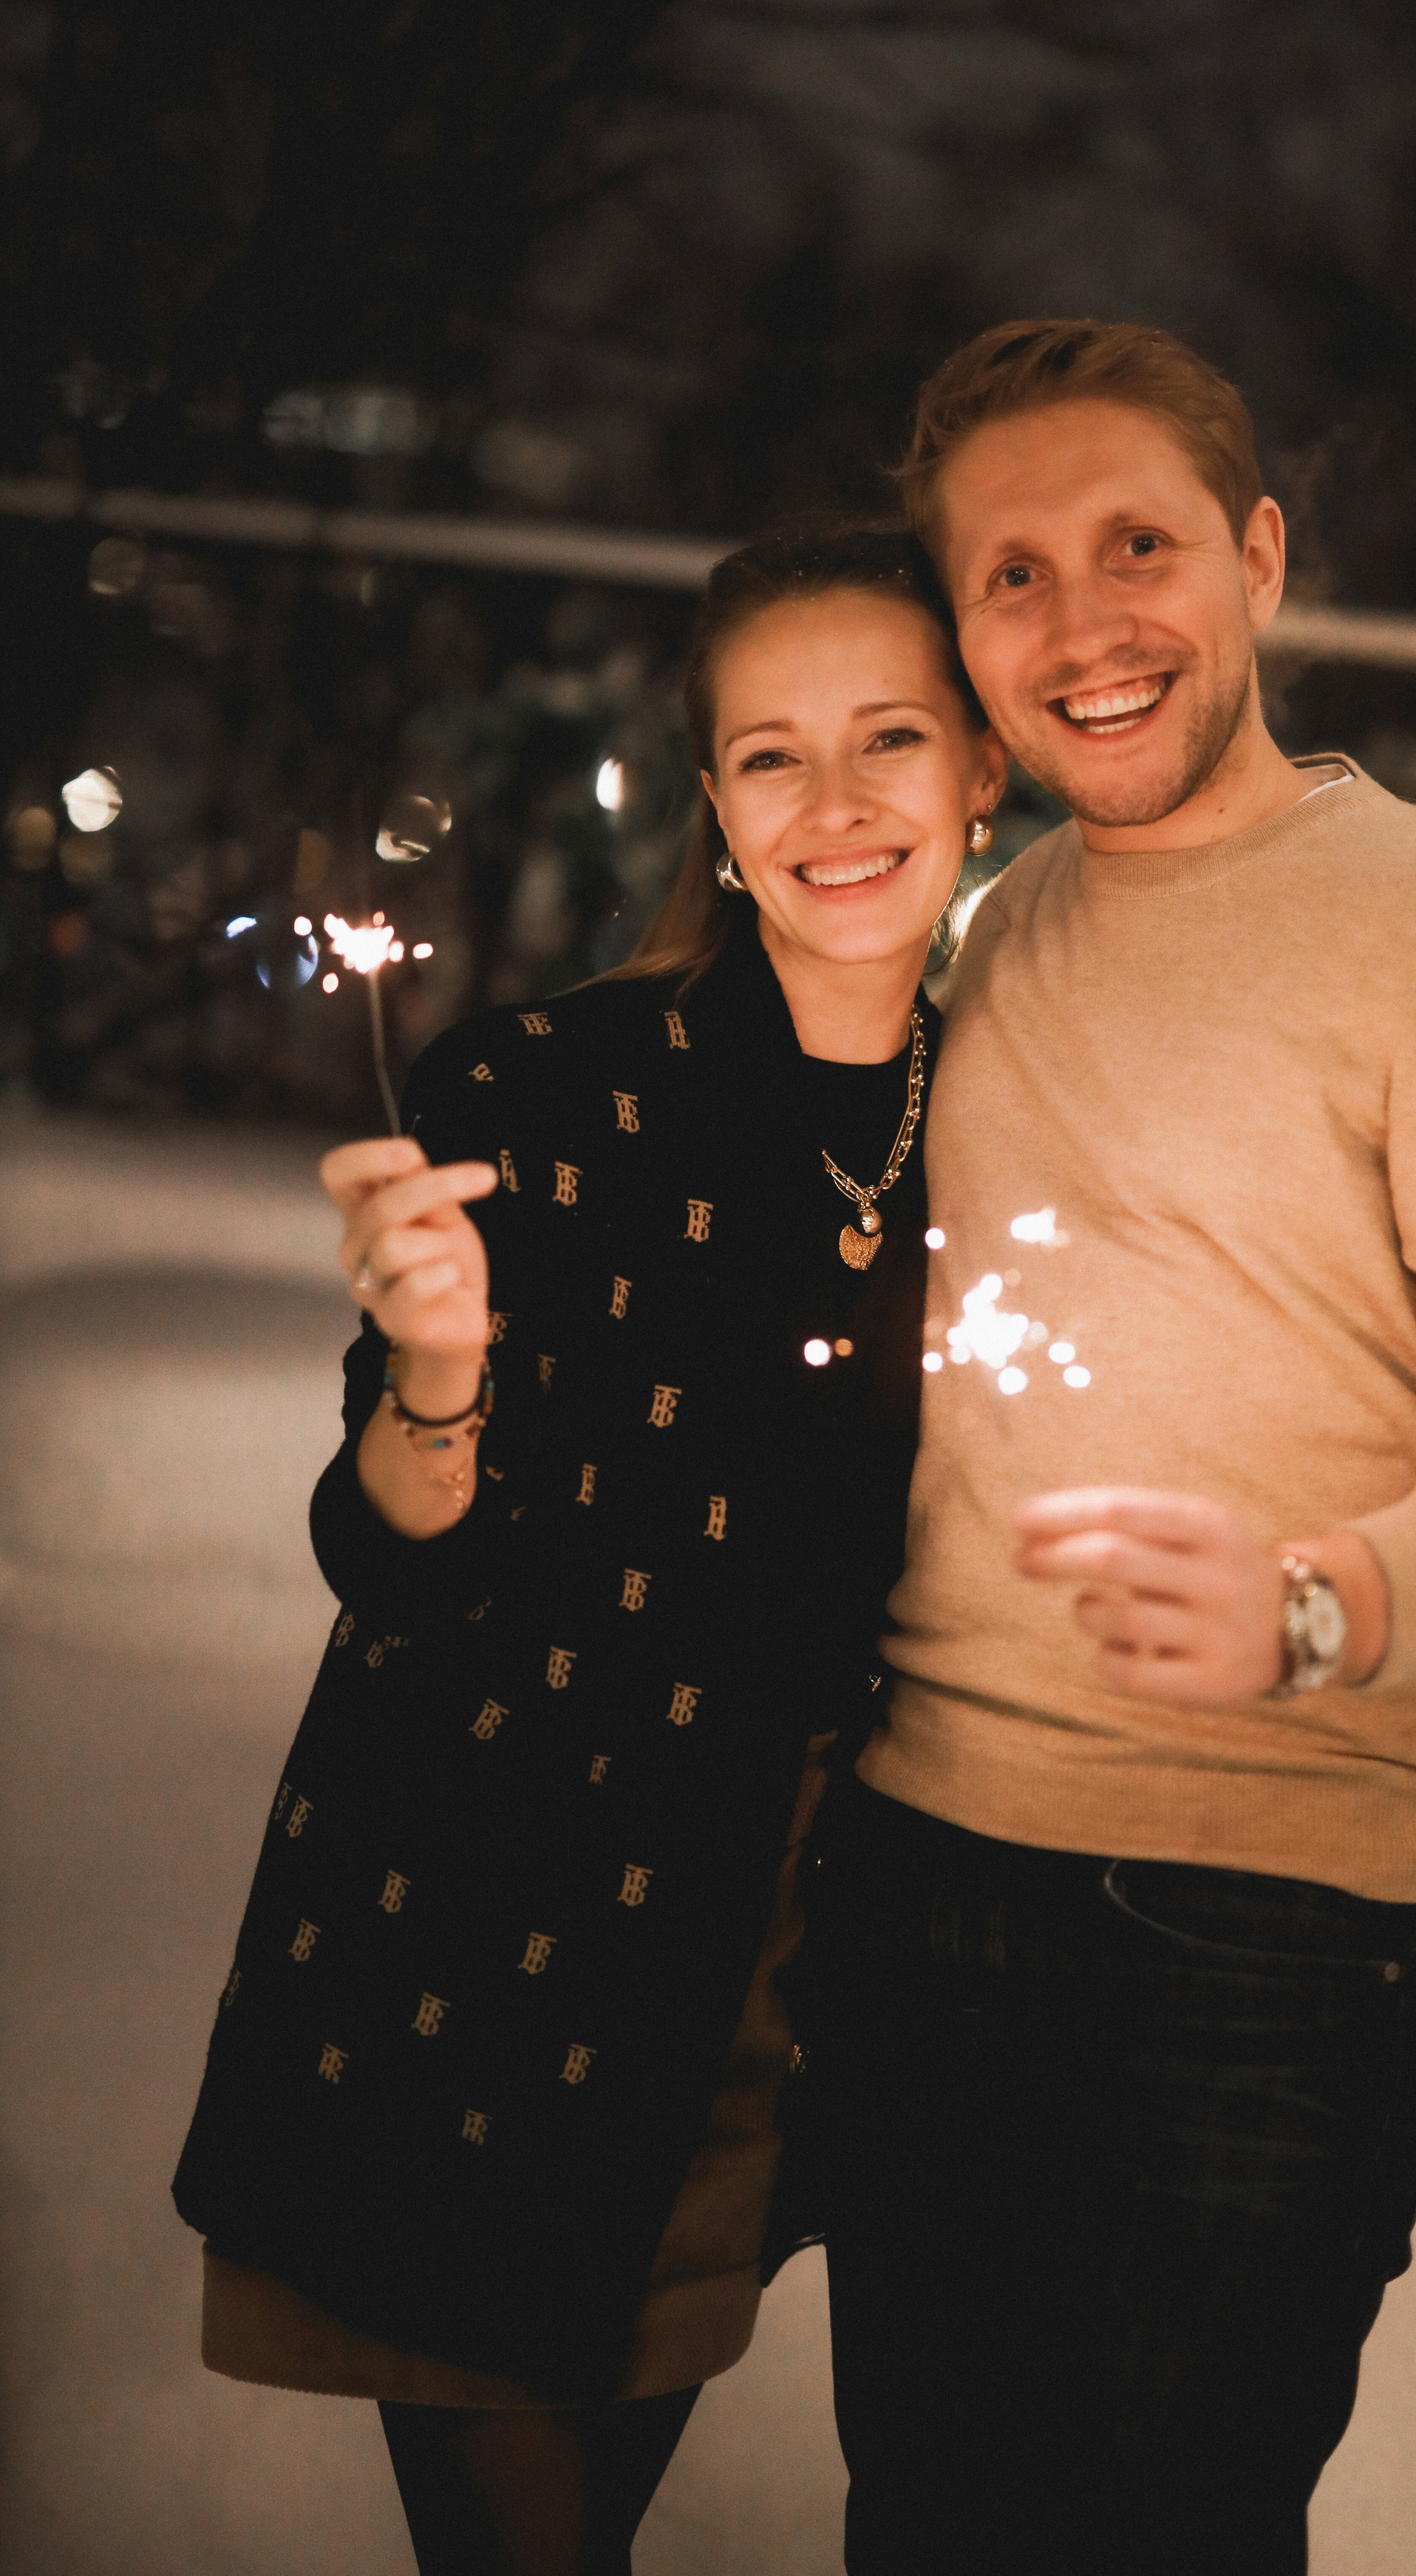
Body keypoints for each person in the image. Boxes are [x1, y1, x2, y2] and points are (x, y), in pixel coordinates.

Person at [811, 322, 1416, 2575]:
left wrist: (1329, 1604)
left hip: (1269, 1924)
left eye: (1138, 547)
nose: (1084, 623)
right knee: (926, 2523)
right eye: (1011, 576)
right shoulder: (979, 949)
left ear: (1262, 557)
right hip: (920, 1879)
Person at [171, 523, 1006, 2576]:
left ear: (985, 769)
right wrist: (437, 1375)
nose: (838, 807)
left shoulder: (1018, 1122)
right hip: (474, 1928)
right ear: (714, 806)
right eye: (771, 756)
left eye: (892, 738)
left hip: (769, 1952)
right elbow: (387, 1567)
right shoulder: (541, 1094)